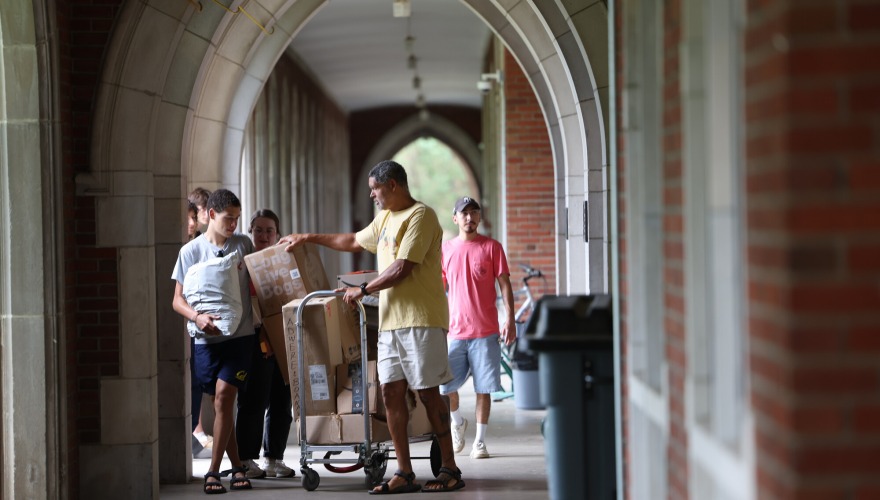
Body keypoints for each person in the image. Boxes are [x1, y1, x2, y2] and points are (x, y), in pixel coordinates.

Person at [280, 160, 465, 494]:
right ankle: (405, 472)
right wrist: (308, 237)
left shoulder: (420, 217)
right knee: (389, 392)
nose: (372, 196)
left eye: (375, 189)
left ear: (392, 185)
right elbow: (353, 241)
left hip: (421, 320)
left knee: (427, 393)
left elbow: (403, 267)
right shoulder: (384, 218)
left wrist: (363, 290)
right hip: (391, 322)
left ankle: (450, 467)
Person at [172, 188, 255, 494]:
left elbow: (260, 282)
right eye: (228, 219)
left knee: (224, 398)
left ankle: (212, 472)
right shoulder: (190, 252)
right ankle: (237, 468)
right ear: (210, 215)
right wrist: (197, 318)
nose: (233, 224)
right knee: (222, 406)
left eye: (236, 219)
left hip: (240, 337)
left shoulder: (243, 245)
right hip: (206, 342)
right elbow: (177, 301)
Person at [440, 196, 515, 460]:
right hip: (455, 332)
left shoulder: (492, 248)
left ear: (479, 218)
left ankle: (480, 443)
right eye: (464, 213)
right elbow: (439, 290)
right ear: (455, 218)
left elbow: (504, 284)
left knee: (484, 388)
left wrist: (510, 319)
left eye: (474, 213)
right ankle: (458, 422)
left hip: (485, 331)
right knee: (445, 387)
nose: (469, 218)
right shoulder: (446, 250)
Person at [235, 209, 296, 479]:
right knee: (253, 400)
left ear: (277, 235)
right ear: (251, 232)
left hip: (283, 338)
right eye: (258, 230)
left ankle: (274, 458)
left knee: (282, 401)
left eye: (269, 230)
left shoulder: (286, 261)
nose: (263, 235)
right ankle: (247, 458)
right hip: (255, 339)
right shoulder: (244, 264)